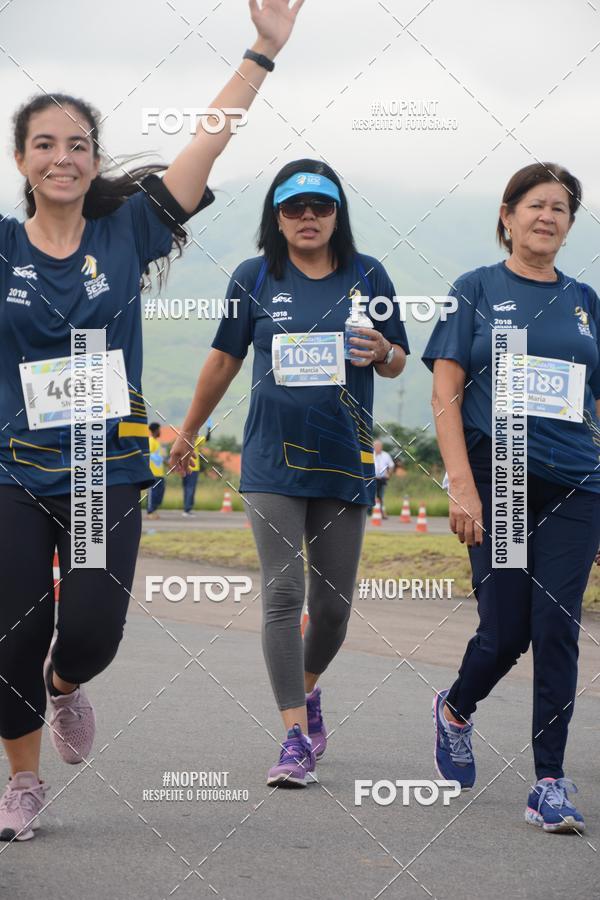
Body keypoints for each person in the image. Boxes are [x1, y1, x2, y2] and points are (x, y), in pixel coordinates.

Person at [0, 0, 305, 841]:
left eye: (78, 144)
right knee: (9, 638)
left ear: (94, 159)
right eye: (45, 144)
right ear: (22, 161)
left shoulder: (129, 228)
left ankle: (66, 690)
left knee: (89, 633)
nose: (63, 158)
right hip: (11, 473)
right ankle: (22, 784)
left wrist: (262, 51)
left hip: (105, 470)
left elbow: (210, 140)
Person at [171, 158, 409, 787]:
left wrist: (384, 350)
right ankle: (294, 737)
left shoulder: (369, 275)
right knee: (283, 598)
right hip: (271, 464)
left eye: (320, 207)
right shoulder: (254, 276)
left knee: (332, 612)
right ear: (276, 215)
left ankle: (308, 692)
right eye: (294, 207)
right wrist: (188, 430)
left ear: (338, 214)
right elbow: (224, 360)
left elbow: (398, 361)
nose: (307, 217)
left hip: (344, 461)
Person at [422, 162, 600, 833]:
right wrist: (461, 487)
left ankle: (549, 781)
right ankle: (455, 709)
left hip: (579, 482)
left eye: (560, 208)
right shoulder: (474, 289)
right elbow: (444, 395)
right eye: (534, 204)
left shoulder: (585, 299)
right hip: (500, 479)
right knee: (505, 633)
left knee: (558, 628)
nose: (547, 216)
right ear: (507, 215)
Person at [147, 422, 166, 519]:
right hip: (153, 473)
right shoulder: (150, 441)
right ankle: (150, 511)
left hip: (160, 473)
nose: (160, 431)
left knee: (160, 493)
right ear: (155, 430)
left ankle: (154, 509)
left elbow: (160, 457)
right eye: (159, 429)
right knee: (153, 492)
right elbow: (148, 455)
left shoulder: (157, 442)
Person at [372, 438, 395, 517]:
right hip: (372, 479)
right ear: (373, 446)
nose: (378, 447)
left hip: (382, 479)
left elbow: (391, 465)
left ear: (381, 447)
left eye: (379, 446)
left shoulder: (386, 455)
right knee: (371, 495)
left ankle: (380, 512)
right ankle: (369, 512)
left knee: (381, 496)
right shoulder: (370, 454)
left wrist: (389, 474)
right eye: (376, 446)